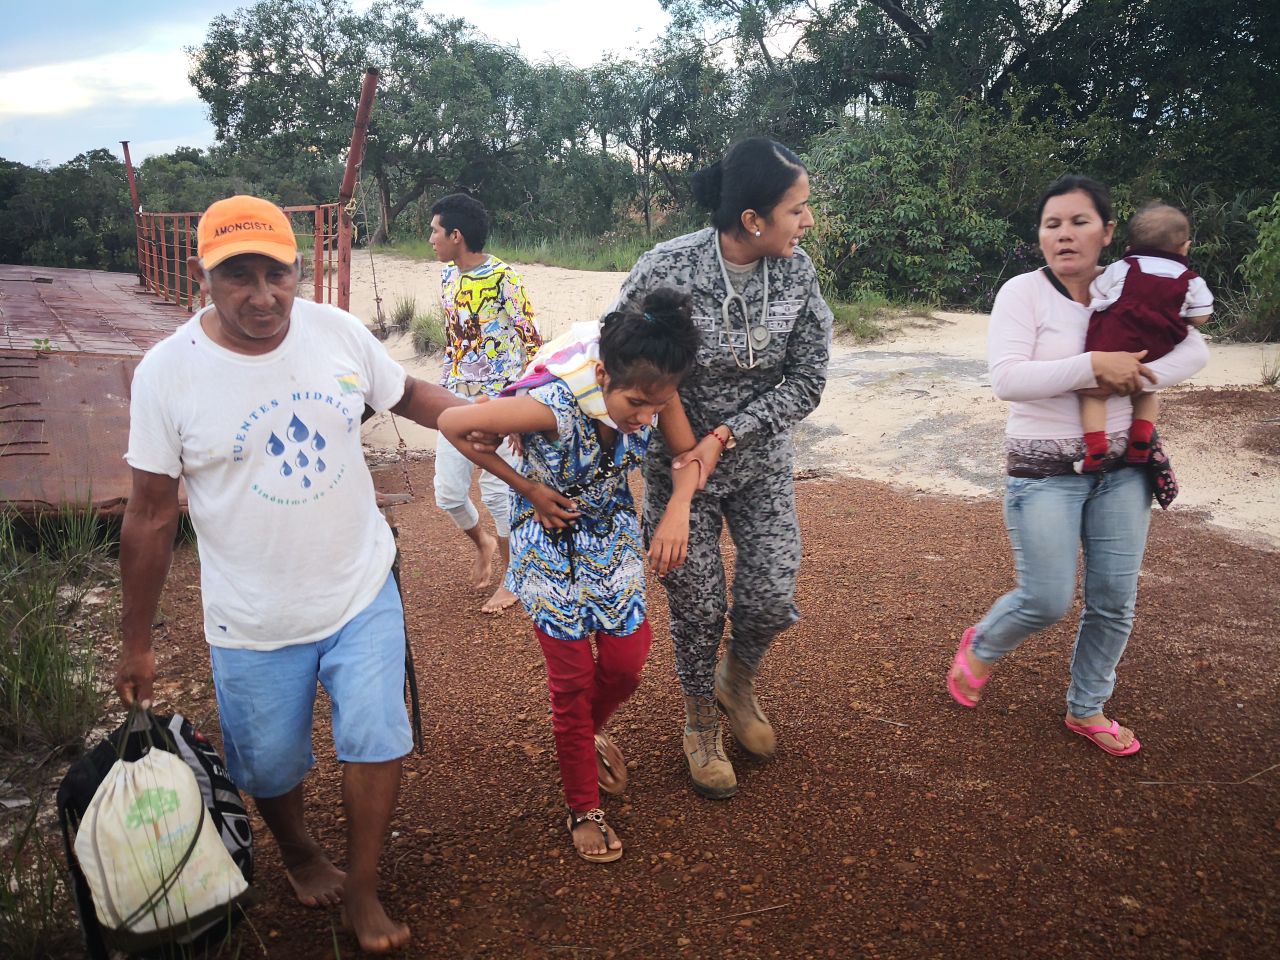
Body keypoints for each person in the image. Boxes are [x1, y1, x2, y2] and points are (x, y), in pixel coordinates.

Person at [115, 195, 496, 953]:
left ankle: (361, 888)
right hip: (252, 614)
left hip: (360, 585)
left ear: (301, 269)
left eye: (278, 274)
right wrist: (137, 643)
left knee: (376, 733)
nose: (263, 296)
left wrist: (496, 415)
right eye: (239, 277)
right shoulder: (167, 375)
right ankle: (295, 848)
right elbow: (152, 514)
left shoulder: (335, 332)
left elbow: (412, 395)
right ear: (204, 277)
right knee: (269, 761)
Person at [946, 175, 1210, 756]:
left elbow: (1196, 349)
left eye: (1079, 222)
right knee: (1046, 599)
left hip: (1123, 469)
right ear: (1040, 235)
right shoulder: (1023, 293)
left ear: (1109, 232)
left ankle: (1087, 707)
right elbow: (1008, 380)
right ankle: (984, 643)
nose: (1064, 235)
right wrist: (1096, 365)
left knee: (1114, 601)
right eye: (1052, 224)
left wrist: (1132, 375)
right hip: (1043, 474)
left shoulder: (1135, 287)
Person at [436, 289, 703, 862]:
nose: (646, 417)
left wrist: (678, 506)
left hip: (612, 537)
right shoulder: (551, 407)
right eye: (636, 403)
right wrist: (526, 487)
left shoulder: (656, 389)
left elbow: (689, 457)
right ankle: (583, 804)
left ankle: (582, 735)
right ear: (602, 372)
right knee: (574, 679)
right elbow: (452, 421)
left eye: (657, 407)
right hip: (548, 546)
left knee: (628, 665)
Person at [611, 137, 834, 799]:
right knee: (698, 605)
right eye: (799, 209)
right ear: (753, 219)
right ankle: (700, 720)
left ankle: (737, 682)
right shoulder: (666, 267)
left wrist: (728, 435)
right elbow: (625, 353)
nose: (809, 221)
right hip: (678, 465)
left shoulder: (798, 274)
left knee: (770, 593)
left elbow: (809, 380)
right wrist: (685, 448)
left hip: (758, 460)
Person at [428, 192, 544, 613]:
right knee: (448, 493)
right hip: (454, 399)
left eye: (435, 231)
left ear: (456, 235)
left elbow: (532, 341)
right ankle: (484, 543)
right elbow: (453, 342)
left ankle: (514, 578)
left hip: (500, 402)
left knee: (498, 493)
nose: (431, 240)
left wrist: (520, 409)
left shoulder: (504, 278)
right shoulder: (446, 277)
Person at [1075, 202, 1214, 472]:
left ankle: (1095, 448)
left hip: (1113, 345)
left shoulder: (1123, 268)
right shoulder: (1190, 279)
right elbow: (1201, 316)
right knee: (1147, 390)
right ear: (1185, 247)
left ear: (1130, 247)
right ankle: (1140, 439)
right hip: (1156, 348)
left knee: (1094, 396)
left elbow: (1096, 292)